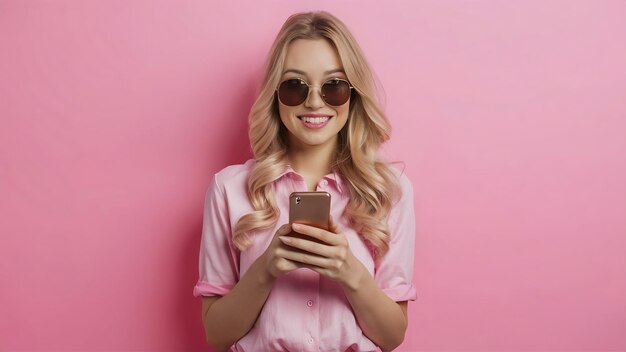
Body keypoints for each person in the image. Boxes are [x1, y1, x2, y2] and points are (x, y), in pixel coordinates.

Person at [193, 10, 417, 352]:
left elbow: (392, 336)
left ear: (353, 94)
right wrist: (265, 269)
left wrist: (350, 272)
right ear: (276, 95)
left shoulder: (390, 191)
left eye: (334, 86)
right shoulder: (229, 190)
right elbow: (217, 335)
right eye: (295, 86)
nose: (314, 101)